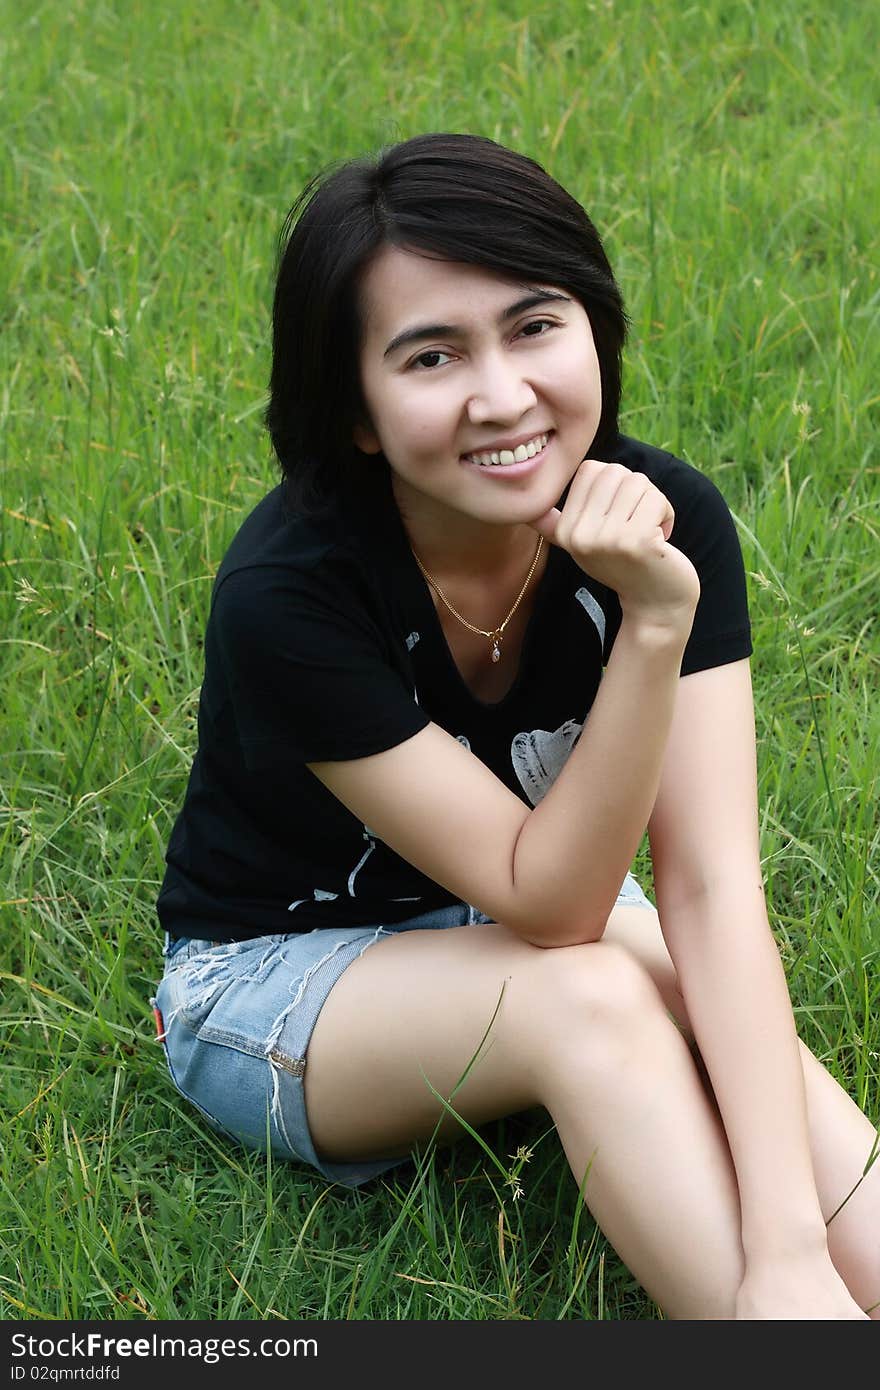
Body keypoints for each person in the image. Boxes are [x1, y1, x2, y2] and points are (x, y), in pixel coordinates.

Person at [151, 133, 878, 1320]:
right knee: (588, 990)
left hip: (519, 916)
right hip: (280, 973)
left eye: (535, 325)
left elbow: (705, 891)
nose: (502, 395)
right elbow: (556, 908)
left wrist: (789, 1235)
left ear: (594, 328)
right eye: (432, 355)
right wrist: (649, 629)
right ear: (360, 416)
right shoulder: (291, 590)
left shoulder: (666, 510)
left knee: (671, 963)